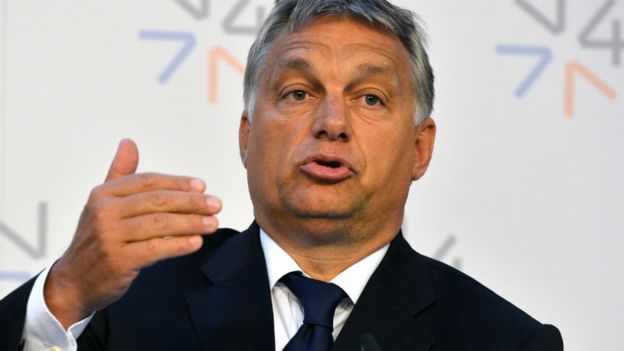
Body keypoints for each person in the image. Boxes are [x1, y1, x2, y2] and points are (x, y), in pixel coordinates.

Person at [0, 0, 563, 350]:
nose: (332, 123)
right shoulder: (126, 300)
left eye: (369, 98)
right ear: (246, 136)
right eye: (298, 92)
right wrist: (67, 293)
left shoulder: (503, 341)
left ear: (420, 148)